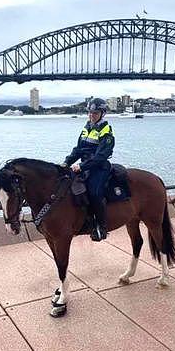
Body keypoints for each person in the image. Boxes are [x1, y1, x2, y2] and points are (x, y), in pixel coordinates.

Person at [62, 97, 115, 242]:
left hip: (99, 167)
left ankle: (101, 227)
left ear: (102, 113)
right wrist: (66, 163)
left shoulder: (106, 130)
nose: (92, 115)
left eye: (95, 113)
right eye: (90, 113)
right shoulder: (87, 127)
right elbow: (78, 149)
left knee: (95, 192)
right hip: (85, 166)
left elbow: (101, 156)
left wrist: (81, 166)